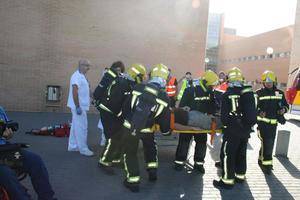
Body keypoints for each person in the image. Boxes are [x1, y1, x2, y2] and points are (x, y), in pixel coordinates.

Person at [120, 64, 171, 192]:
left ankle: (133, 181)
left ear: (151, 76)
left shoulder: (138, 87)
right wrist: (166, 132)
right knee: (150, 148)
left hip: (131, 128)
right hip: (148, 130)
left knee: (130, 153)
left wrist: (127, 121)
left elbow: (126, 107)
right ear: (165, 80)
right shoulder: (164, 97)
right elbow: (164, 119)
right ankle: (152, 171)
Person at [97, 63, 147, 172]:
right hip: (108, 112)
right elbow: (122, 104)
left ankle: (114, 159)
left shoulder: (126, 82)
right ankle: (104, 162)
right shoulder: (124, 84)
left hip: (113, 112)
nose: (143, 79)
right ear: (137, 75)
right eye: (142, 77)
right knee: (113, 137)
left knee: (119, 136)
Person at [213, 67, 257, 189]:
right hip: (245, 130)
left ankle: (227, 181)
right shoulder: (247, 93)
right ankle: (240, 176)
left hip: (232, 131)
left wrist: (226, 126)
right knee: (241, 154)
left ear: (229, 80)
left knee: (229, 155)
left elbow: (224, 117)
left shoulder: (228, 94)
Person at [0, 106, 56, 200]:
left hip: (5, 149)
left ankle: (47, 197)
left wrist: (8, 134)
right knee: (6, 173)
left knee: (34, 160)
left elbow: (6, 131)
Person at [174, 70, 219, 173]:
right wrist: (185, 109)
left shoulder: (210, 93)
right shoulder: (190, 90)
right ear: (205, 83)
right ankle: (179, 162)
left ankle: (199, 164)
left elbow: (213, 107)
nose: (212, 87)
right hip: (189, 121)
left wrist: (211, 114)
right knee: (184, 142)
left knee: (202, 143)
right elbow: (182, 106)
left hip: (202, 123)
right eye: (211, 85)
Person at [256, 70, 289, 174]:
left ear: (274, 81)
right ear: (263, 82)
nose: (269, 83)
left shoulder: (280, 93)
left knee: (268, 143)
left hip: (273, 124)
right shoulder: (258, 93)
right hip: (262, 124)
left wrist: (283, 109)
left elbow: (286, 106)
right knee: (267, 143)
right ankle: (267, 165)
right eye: (266, 81)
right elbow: (253, 108)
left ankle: (262, 160)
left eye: (270, 81)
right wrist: (259, 112)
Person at [67, 59, 94, 156]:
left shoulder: (82, 76)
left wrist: (93, 98)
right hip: (79, 107)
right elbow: (75, 91)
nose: (88, 68)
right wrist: (77, 106)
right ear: (81, 65)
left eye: (89, 66)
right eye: (87, 66)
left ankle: (73, 146)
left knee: (75, 127)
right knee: (82, 127)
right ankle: (83, 149)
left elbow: (88, 89)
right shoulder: (76, 76)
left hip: (81, 106)